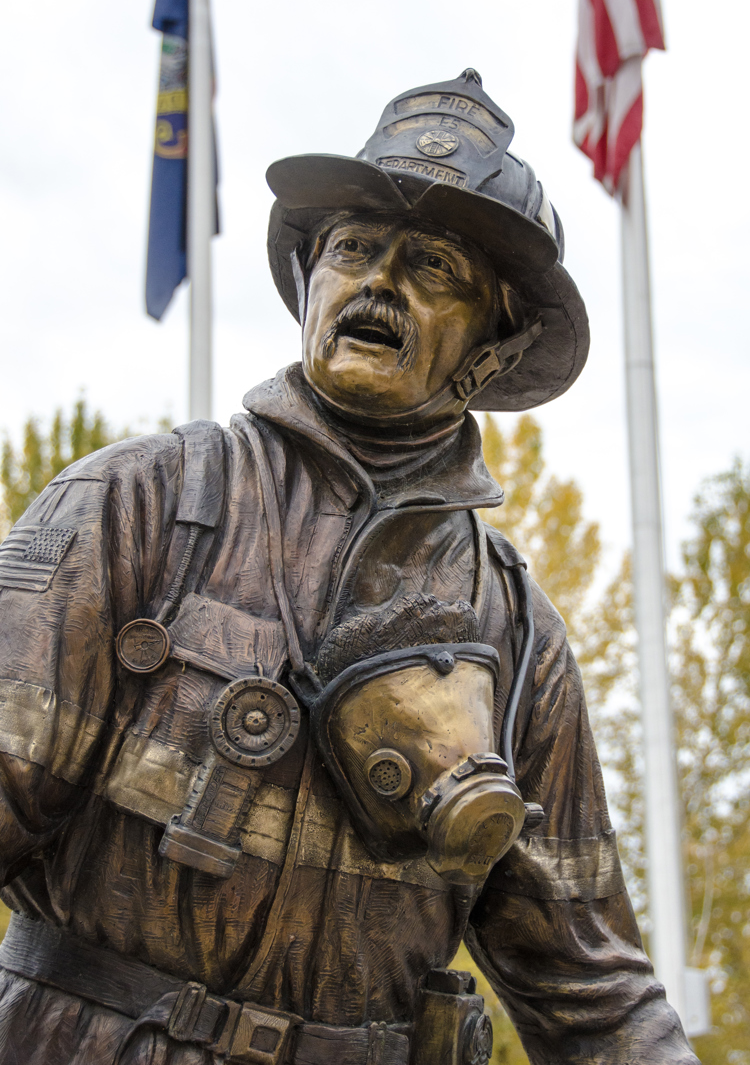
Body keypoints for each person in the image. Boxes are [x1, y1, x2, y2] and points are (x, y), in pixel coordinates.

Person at [0, 70, 698, 1065]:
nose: (380, 283)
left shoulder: (516, 633)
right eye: (355, 251)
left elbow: (591, 989)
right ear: (309, 283)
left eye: (434, 266)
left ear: (496, 346)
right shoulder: (135, 503)